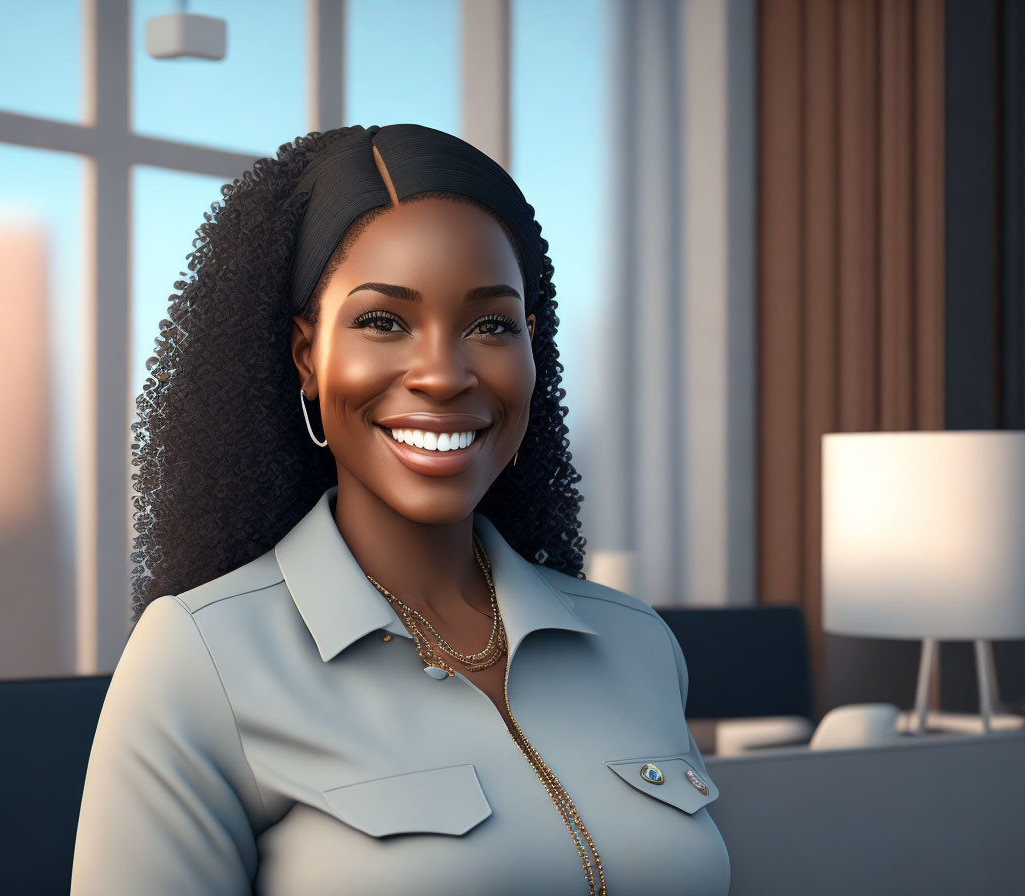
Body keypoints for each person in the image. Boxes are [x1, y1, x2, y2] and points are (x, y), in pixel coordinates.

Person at [71, 123, 730, 896]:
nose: (443, 375)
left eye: (490, 325)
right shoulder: (200, 660)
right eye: (384, 321)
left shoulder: (635, 642)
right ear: (305, 357)